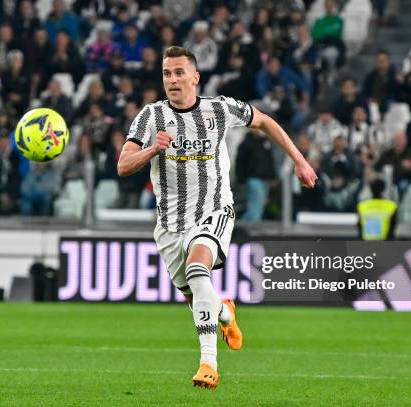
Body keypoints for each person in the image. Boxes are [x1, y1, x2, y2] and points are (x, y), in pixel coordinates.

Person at [117, 46, 317, 389]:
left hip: (214, 211)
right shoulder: (150, 117)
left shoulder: (219, 109)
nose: (173, 80)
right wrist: (153, 149)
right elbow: (123, 165)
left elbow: (265, 121)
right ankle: (224, 311)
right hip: (169, 225)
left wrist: (300, 160)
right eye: (167, 74)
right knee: (197, 297)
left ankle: (208, 363)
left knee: (198, 269)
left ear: (195, 77)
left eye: (180, 73)